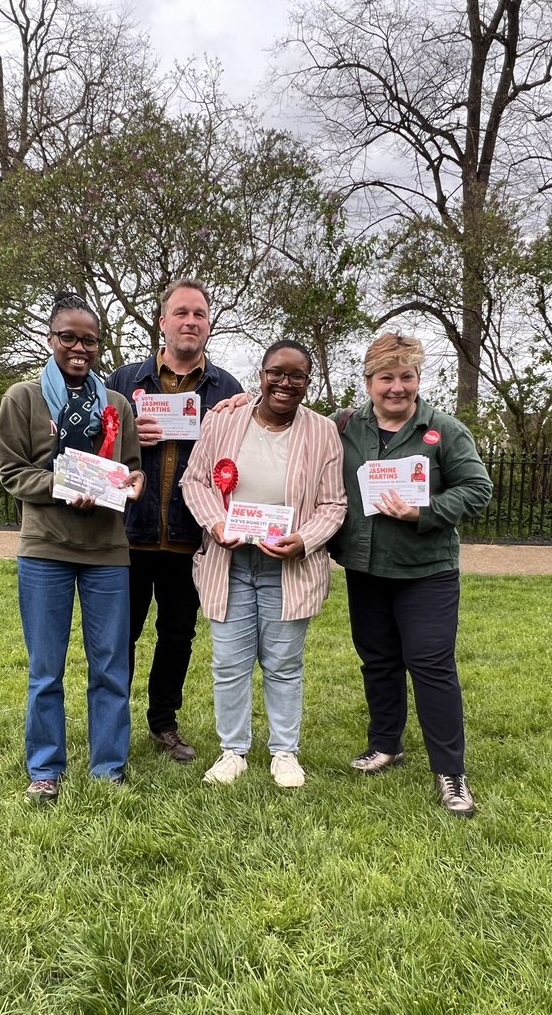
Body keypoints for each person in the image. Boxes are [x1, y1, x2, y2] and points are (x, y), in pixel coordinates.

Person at [330, 332, 493, 817]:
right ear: (369, 382)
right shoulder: (346, 427)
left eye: (406, 376)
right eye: (386, 377)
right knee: (378, 661)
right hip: (366, 568)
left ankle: (451, 772)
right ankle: (386, 744)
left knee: (430, 666)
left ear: (418, 379)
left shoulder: (444, 429)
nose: (397, 387)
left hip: (427, 571)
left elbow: (477, 488)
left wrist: (424, 510)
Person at [0, 291, 145, 803]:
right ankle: (45, 769)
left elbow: (130, 468)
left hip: (107, 552)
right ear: (52, 339)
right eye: (69, 338)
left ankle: (109, 767)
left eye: (90, 340)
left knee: (109, 667)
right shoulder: (23, 398)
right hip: (45, 551)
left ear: (99, 346)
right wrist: (62, 486)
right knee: (46, 669)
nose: (79, 348)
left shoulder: (117, 405)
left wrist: (134, 483)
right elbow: (12, 473)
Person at [181, 339, 347, 788]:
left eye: (297, 376)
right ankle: (232, 751)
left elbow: (333, 503)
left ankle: (284, 753)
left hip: (288, 569)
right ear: (262, 373)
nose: (285, 382)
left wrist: (304, 540)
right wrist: (217, 525)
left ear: (307, 382)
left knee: (284, 665)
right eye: (277, 371)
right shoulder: (224, 420)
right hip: (229, 563)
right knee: (230, 665)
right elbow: (195, 482)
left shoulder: (322, 432)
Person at [106, 279, 243, 764]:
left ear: (209, 325)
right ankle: (111, 725)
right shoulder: (124, 381)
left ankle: (164, 723)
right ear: (162, 321)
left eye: (200, 314)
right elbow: (95, 453)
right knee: (119, 637)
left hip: (190, 540)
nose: (190, 321)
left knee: (178, 638)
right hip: (127, 539)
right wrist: (128, 439)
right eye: (181, 312)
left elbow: (240, 461)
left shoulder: (229, 391)